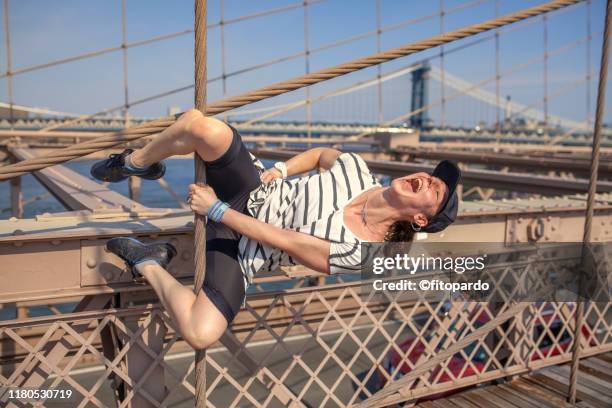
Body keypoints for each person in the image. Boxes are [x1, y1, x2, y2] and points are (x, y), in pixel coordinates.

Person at [91, 109, 461, 350]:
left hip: (243, 250)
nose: (426, 179)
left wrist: (217, 210)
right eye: (430, 176)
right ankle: (136, 163)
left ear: (421, 220)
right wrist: (284, 170)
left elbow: (285, 240)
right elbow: (321, 155)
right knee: (199, 125)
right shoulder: (354, 168)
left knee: (201, 333)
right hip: (250, 191)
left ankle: (146, 261)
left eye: (435, 189)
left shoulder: (363, 252)